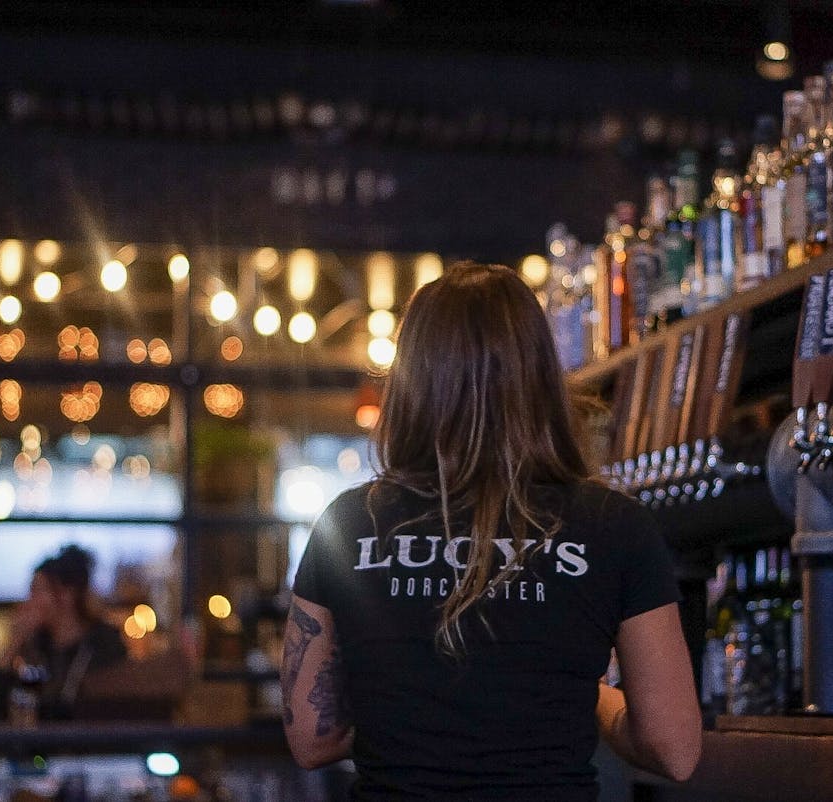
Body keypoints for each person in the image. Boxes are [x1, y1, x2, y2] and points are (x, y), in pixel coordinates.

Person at [282, 262, 702, 798]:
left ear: (411, 379)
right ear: (540, 375)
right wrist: (586, 696)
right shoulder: (614, 526)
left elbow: (312, 739)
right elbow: (675, 748)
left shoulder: (347, 524)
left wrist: (413, 714)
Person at [0, 544, 127, 720]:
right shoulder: (35, 650)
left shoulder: (103, 647)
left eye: (37, 591)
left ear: (66, 595)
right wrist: (14, 642)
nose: (30, 601)